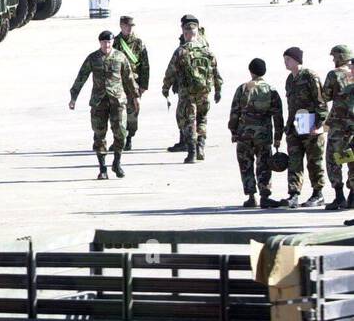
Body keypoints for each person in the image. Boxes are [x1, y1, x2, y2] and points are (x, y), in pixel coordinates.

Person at [70, 30, 140, 179]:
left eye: (109, 42)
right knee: (99, 134)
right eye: (104, 42)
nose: (106, 45)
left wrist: (135, 97)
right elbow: (81, 76)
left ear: (112, 42)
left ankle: (117, 162)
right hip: (99, 102)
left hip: (118, 101)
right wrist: (73, 97)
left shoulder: (120, 57)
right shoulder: (93, 58)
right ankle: (102, 169)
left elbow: (129, 78)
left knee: (121, 132)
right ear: (100, 42)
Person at [162, 16, 222, 163]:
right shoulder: (207, 51)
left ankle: (192, 153)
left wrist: (165, 88)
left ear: (185, 33)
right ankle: (201, 146)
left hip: (187, 94)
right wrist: (218, 90)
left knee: (189, 122)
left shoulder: (181, 51)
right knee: (202, 119)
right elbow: (216, 72)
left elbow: (170, 72)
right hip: (204, 92)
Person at [228, 58, 284, 208]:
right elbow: (278, 116)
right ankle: (265, 196)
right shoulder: (271, 90)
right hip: (263, 136)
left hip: (244, 135)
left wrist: (233, 130)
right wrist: (278, 136)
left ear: (250, 71)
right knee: (264, 164)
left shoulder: (243, 88)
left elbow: (235, 112)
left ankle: (251, 197)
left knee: (246, 165)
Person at [283, 46, 326, 208]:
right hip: (295, 124)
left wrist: (319, 124)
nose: (285, 63)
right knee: (294, 160)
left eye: (288, 59)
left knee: (314, 160)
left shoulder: (309, 76)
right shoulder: (289, 79)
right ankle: (293, 194)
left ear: (296, 60)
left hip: (310, 122)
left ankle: (318, 193)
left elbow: (320, 101)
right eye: (285, 59)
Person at [323, 45, 354, 210]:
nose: (333, 60)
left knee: (333, 159)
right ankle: (353, 195)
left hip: (338, 126)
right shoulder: (352, 75)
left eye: (334, 57)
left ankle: (339, 195)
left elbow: (325, 96)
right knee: (351, 159)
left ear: (340, 57)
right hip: (352, 127)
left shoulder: (334, 75)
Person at [113, 15, 149, 150]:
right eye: (127, 26)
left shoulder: (139, 43)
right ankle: (119, 139)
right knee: (117, 113)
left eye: (131, 26)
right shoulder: (115, 42)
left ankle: (129, 137)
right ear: (121, 26)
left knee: (132, 114)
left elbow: (145, 65)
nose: (129, 29)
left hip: (134, 84)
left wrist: (144, 85)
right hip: (118, 84)